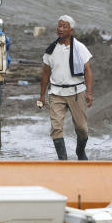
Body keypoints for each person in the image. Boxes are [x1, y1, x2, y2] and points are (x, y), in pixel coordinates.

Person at [38, 15, 93, 160]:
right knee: (56, 128)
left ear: (71, 30)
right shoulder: (51, 50)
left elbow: (87, 71)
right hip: (56, 93)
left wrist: (89, 93)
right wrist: (42, 96)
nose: (60, 29)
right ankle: (63, 160)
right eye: (59, 26)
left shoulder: (80, 48)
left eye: (64, 26)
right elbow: (45, 74)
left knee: (82, 128)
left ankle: (80, 151)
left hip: (76, 92)